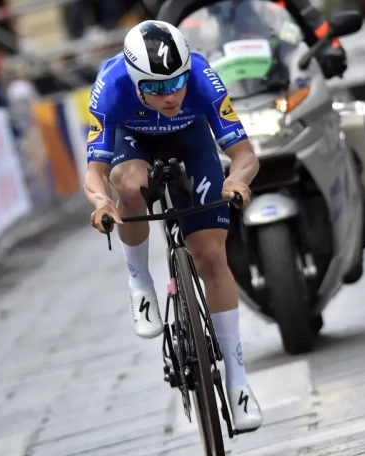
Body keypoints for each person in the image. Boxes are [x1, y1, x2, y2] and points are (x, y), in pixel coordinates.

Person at [84, 20, 263, 431]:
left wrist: (236, 179)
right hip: (134, 142)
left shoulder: (202, 77)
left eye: (177, 82)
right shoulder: (110, 86)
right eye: (157, 88)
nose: (172, 95)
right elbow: (94, 172)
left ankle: (238, 384)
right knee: (129, 183)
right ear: (135, 82)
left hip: (191, 139)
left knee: (212, 258)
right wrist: (102, 204)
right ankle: (140, 283)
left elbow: (244, 154)